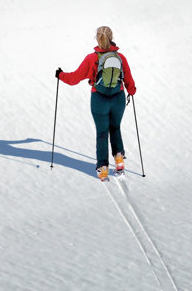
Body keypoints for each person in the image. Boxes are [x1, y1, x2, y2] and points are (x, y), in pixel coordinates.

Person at [55, 25, 136, 181]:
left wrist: (60, 75)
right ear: (111, 38)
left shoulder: (91, 59)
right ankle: (119, 160)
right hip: (118, 98)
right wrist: (131, 91)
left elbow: (74, 79)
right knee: (115, 127)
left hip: (99, 99)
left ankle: (103, 167)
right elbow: (129, 83)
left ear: (97, 38)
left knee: (102, 132)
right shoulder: (121, 58)